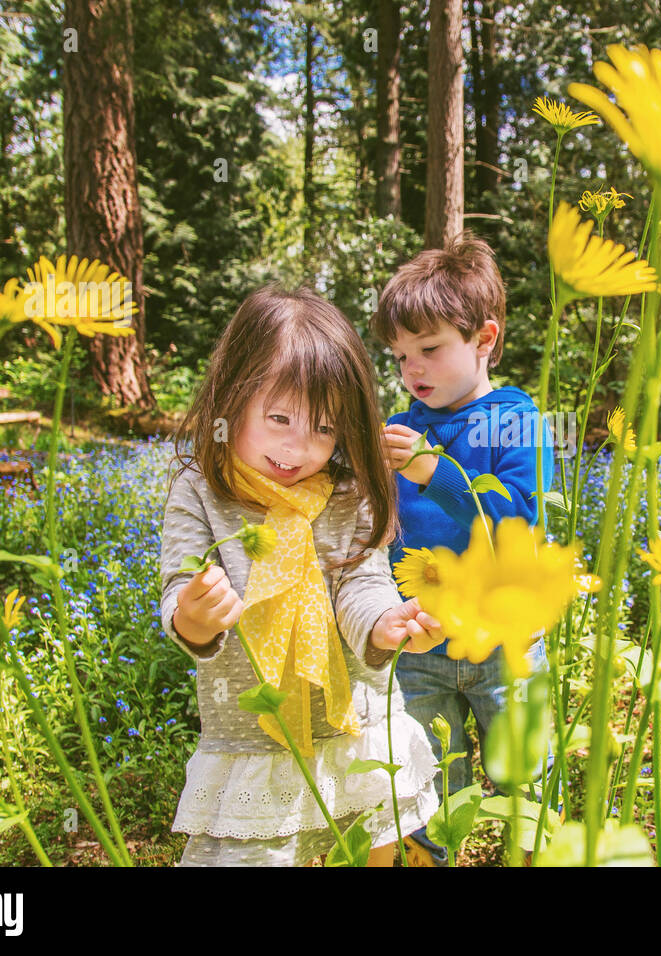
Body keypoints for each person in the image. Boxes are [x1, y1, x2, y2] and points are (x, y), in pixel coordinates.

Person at [160, 284, 442, 867]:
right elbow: (177, 595)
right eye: (279, 418)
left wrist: (385, 623)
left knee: (373, 844)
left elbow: (362, 584)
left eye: (323, 428)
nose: (297, 448)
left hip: (357, 724)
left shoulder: (347, 492)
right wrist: (192, 616)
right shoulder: (199, 492)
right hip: (253, 735)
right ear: (230, 398)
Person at [371, 232, 555, 866]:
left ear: (485, 338)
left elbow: (517, 519)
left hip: (505, 642)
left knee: (522, 781)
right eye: (398, 357)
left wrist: (435, 471)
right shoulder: (405, 428)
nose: (411, 369)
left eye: (429, 349)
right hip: (421, 643)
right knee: (423, 784)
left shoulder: (516, 419)